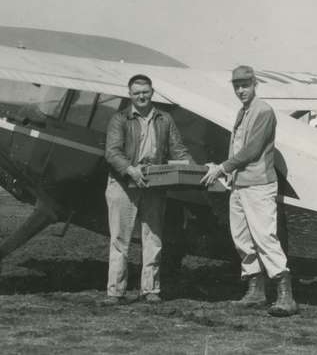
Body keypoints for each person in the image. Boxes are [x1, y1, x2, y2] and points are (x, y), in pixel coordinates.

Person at [201, 65, 298, 317]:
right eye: (237, 86)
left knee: (265, 237)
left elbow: (252, 150)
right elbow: (238, 149)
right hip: (239, 184)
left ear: (255, 84)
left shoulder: (263, 111)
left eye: (245, 85)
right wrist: (226, 170)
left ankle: (285, 295)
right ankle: (255, 291)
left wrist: (222, 168)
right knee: (242, 238)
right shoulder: (243, 111)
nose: (241, 90)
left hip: (258, 184)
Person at [102, 73, 195, 305]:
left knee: (153, 237)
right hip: (124, 184)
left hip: (154, 183)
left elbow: (178, 150)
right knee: (119, 239)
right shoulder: (119, 119)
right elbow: (112, 152)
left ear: (152, 93)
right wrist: (130, 169)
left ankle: (150, 290)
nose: (141, 96)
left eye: (145, 92)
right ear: (130, 95)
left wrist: (195, 169)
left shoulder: (165, 119)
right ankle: (115, 292)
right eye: (136, 93)